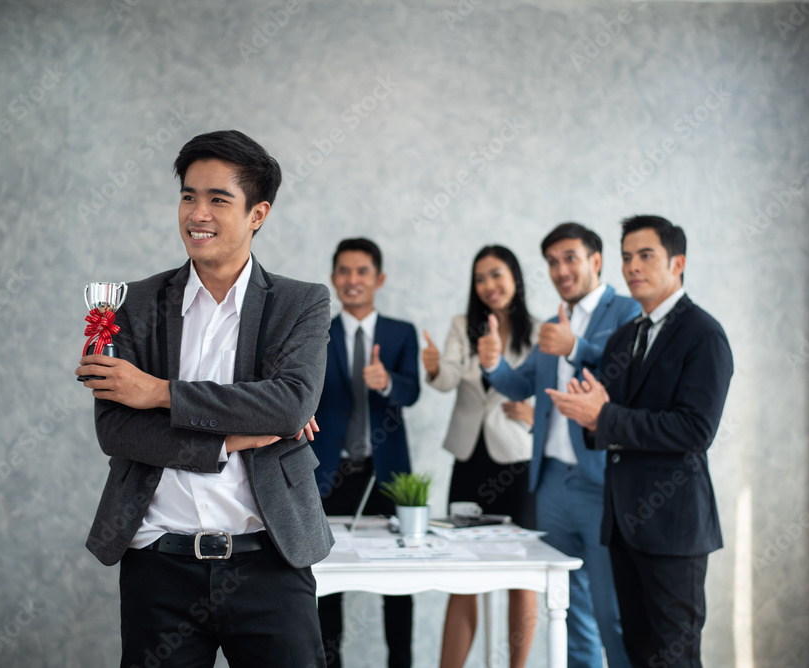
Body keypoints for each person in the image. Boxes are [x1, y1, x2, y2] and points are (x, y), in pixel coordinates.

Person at [76, 130, 332, 668]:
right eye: (189, 195)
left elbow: (289, 406)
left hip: (270, 562)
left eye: (219, 199)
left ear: (257, 213)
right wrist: (230, 439)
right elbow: (116, 431)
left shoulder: (300, 304)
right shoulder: (134, 304)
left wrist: (158, 392)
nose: (198, 213)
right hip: (159, 568)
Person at [548, 215, 733, 667]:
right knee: (636, 651)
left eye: (646, 255)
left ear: (678, 262)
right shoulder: (624, 337)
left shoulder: (704, 335)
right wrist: (591, 417)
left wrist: (604, 415)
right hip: (623, 523)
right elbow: (613, 424)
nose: (633, 266)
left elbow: (694, 431)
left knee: (675, 656)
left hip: (674, 528)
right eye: (627, 256)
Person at [482, 223, 640, 668]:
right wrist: (493, 364)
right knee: (568, 609)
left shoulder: (627, 311)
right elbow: (522, 385)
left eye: (570, 258)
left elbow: (627, 375)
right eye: (552, 262)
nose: (561, 270)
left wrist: (578, 346)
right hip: (550, 482)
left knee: (612, 612)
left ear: (596, 260)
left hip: (600, 483)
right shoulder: (553, 324)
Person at [422, 245, 541, 668]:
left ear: (515, 277)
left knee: (521, 573)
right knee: (462, 572)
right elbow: (448, 379)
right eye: (480, 278)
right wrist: (435, 368)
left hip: (518, 461)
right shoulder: (462, 326)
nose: (489, 285)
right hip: (470, 459)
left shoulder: (541, 331)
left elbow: (552, 392)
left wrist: (536, 415)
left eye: (496, 274)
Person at [311, 238, 420, 668]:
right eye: (344, 272)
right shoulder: (318, 332)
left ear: (379, 279)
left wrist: (388, 382)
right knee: (326, 580)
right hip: (328, 475)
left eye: (362, 272)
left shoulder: (400, 332)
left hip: (387, 473)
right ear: (334, 278)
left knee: (400, 581)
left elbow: (411, 391)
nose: (352, 281)